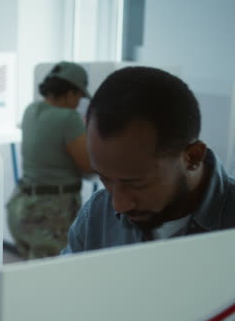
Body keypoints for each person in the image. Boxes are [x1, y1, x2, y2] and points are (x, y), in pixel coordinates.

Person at [61, 66, 235, 254]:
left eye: (137, 184)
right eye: (105, 179)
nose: (118, 205)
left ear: (192, 157)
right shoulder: (96, 215)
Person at [7, 61, 91, 259]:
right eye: (79, 96)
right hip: (52, 212)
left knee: (32, 271)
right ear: (71, 93)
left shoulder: (31, 110)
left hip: (22, 204)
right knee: (52, 276)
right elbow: (88, 165)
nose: (79, 102)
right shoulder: (69, 119)